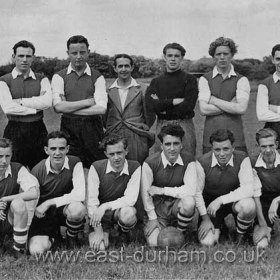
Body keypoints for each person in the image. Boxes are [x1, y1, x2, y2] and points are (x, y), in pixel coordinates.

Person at [52, 35, 108, 169]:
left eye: (82, 52)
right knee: (71, 167)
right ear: (68, 54)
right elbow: (58, 107)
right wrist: (88, 102)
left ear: (88, 52)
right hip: (68, 127)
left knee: (97, 166)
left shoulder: (97, 77)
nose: (78, 56)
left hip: (93, 127)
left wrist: (69, 107)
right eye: (74, 53)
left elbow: (101, 109)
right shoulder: (59, 76)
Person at [28, 131, 86, 255]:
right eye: (53, 148)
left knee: (78, 208)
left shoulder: (75, 162)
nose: (57, 153)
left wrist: (49, 202)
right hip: (43, 214)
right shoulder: (37, 170)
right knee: (36, 251)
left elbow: (80, 194)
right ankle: (55, 239)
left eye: (61, 148)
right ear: (46, 150)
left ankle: (72, 236)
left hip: (63, 209)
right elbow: (31, 201)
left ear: (68, 149)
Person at [195, 129, 256, 246]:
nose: (222, 154)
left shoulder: (243, 158)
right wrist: (205, 219)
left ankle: (241, 235)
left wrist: (221, 200)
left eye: (226, 149)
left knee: (248, 205)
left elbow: (248, 189)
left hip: (234, 201)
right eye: (217, 149)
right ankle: (220, 227)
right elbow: (197, 193)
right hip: (212, 205)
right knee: (207, 243)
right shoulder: (202, 162)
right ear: (212, 149)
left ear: (233, 148)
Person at [141, 124, 196, 246]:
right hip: (158, 208)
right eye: (167, 144)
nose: (172, 148)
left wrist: (162, 190)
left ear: (182, 144)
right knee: (154, 243)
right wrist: (152, 218)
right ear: (161, 146)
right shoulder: (150, 162)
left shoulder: (189, 159)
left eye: (176, 143)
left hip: (176, 205)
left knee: (189, 202)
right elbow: (145, 193)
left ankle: (181, 232)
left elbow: (191, 190)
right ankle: (161, 226)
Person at [0, 40, 52, 169]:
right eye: (21, 56)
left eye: (28, 56)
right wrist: (35, 109)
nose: (24, 59)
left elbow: (46, 102)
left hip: (38, 130)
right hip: (14, 130)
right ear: (13, 57)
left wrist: (21, 102)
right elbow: (8, 108)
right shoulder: (4, 80)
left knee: (41, 170)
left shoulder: (42, 79)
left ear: (33, 58)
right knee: (14, 171)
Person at [87, 134, 140, 251]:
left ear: (126, 151)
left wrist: (106, 206)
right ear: (106, 154)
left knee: (129, 213)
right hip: (100, 215)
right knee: (100, 248)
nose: (116, 157)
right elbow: (92, 201)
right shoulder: (96, 167)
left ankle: (123, 234)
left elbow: (130, 199)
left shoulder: (135, 166)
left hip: (119, 211)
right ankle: (105, 232)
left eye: (119, 152)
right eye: (111, 154)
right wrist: (98, 230)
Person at [198, 37, 250, 154]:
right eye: (218, 54)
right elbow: (204, 109)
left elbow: (241, 108)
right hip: (210, 137)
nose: (222, 57)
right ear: (213, 56)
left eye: (225, 53)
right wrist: (231, 106)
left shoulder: (242, 80)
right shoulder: (205, 79)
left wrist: (214, 100)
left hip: (236, 138)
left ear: (231, 55)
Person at [145, 43, 198, 156]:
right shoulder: (156, 81)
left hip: (184, 124)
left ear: (182, 58)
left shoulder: (190, 79)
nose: (173, 59)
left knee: (186, 160)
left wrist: (163, 107)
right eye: (170, 55)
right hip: (162, 124)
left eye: (176, 56)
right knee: (161, 162)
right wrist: (173, 102)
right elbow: (151, 105)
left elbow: (188, 106)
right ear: (164, 57)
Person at [106, 53, 154, 165]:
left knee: (136, 168)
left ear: (132, 67)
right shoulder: (107, 90)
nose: (123, 69)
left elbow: (149, 115)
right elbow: (104, 116)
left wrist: (140, 127)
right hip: (114, 134)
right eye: (120, 66)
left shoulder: (142, 88)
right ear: (115, 68)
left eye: (126, 66)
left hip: (136, 135)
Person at [0, 138, 38, 256]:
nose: (4, 161)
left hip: (8, 218)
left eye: (7, 156)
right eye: (0, 156)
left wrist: (5, 199)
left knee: (19, 203)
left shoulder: (17, 169)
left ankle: (18, 249)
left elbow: (33, 193)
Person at [251, 128, 280, 248]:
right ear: (258, 146)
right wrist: (263, 225)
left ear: (277, 144)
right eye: (263, 146)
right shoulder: (252, 163)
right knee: (261, 245)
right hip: (263, 203)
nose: (268, 150)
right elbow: (255, 195)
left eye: (271, 145)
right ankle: (264, 227)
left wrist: (277, 200)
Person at [256, 44, 280, 141]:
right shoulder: (265, 84)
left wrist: (275, 109)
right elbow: (261, 115)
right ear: (273, 60)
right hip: (273, 132)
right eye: (278, 59)